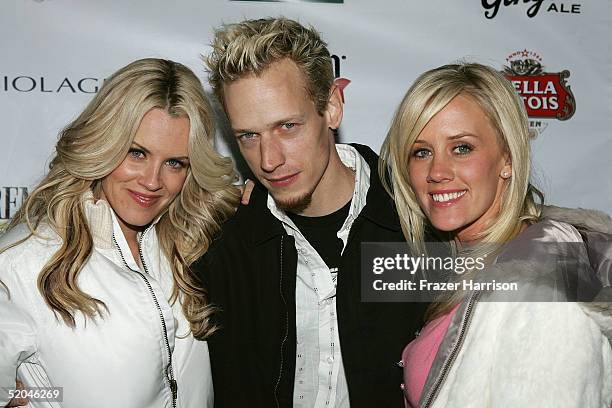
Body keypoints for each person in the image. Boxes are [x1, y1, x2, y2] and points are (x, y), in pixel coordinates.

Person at [195, 17, 427, 407]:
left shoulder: (417, 224)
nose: (268, 160)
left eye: (287, 126)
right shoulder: (224, 244)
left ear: (333, 106)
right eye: (248, 136)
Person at [0, 58, 240, 408]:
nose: (152, 181)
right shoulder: (23, 262)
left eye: (175, 162)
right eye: (137, 153)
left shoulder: (187, 245)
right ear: (103, 144)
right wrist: (47, 399)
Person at [379, 62, 612, 407]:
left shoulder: (542, 280)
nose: (437, 172)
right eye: (421, 152)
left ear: (507, 158)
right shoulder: (465, 264)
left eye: (461, 148)